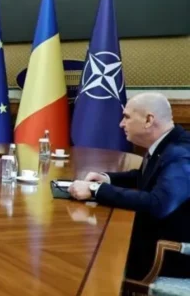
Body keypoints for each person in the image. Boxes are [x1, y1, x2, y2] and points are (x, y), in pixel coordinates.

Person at [69, 93, 190, 282]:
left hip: (169, 253)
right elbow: (144, 176)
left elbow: (158, 204)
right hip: (156, 238)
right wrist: (106, 179)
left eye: (126, 117)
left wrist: (95, 190)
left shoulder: (179, 154)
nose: (121, 124)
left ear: (148, 120)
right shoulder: (167, 144)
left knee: (90, 251)